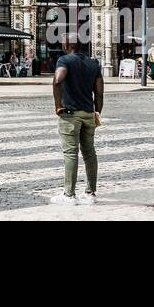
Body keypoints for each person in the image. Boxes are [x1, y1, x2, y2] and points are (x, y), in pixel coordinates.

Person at [51, 39, 103, 205]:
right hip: (89, 114)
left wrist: (58, 105)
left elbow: (58, 80)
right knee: (90, 153)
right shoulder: (94, 63)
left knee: (71, 153)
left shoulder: (64, 60)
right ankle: (91, 193)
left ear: (66, 46)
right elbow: (100, 93)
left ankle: (69, 195)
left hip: (70, 114)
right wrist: (97, 112)